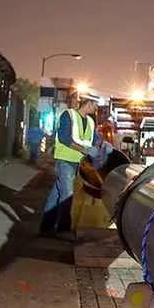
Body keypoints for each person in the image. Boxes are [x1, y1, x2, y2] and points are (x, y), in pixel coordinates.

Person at [40, 97, 98, 238]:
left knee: (57, 193)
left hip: (77, 162)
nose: (96, 109)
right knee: (67, 195)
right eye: (95, 105)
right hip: (65, 160)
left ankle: (46, 227)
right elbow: (64, 138)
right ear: (88, 103)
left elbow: (94, 139)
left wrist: (103, 148)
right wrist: (84, 150)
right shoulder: (68, 115)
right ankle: (63, 229)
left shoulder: (90, 121)